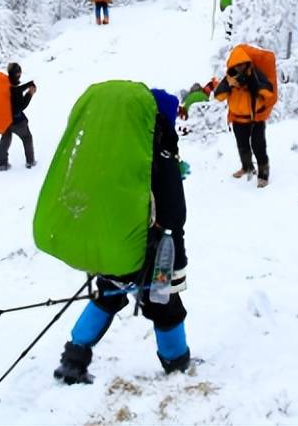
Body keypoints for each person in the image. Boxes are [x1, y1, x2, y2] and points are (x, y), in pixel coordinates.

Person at [54, 90, 190, 384]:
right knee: (166, 308)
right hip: (154, 255)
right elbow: (175, 215)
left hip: (113, 248)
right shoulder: (160, 154)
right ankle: (177, 365)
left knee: (106, 296)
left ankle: (73, 359)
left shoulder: (116, 153)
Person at [214, 46, 274, 188]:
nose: (239, 67)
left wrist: (253, 84)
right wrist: (229, 85)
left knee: (258, 146)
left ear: (247, 62)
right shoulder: (229, 77)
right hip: (237, 120)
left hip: (256, 119)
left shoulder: (255, 74)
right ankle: (247, 167)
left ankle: (263, 173)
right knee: (243, 146)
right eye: (237, 64)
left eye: (242, 64)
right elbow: (218, 96)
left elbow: (268, 92)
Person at [0, 62, 37, 170]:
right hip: (16, 121)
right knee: (27, 138)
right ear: (18, 73)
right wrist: (29, 94)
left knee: (5, 140)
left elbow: (15, 90)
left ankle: (3, 164)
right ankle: (30, 162)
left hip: (4, 120)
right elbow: (21, 106)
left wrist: (27, 85)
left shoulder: (4, 83)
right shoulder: (15, 89)